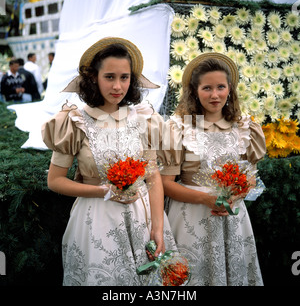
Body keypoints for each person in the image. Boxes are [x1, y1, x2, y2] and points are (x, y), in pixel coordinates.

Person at [41, 37, 177, 286]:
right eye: (110, 77)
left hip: (142, 218)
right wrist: (102, 191)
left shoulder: (144, 118)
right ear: (93, 77)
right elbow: (55, 181)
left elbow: (153, 176)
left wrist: (158, 227)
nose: (118, 86)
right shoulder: (73, 121)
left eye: (124, 77)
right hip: (96, 222)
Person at [158, 52, 266, 286]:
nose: (215, 94)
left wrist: (236, 195)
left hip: (232, 219)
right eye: (207, 88)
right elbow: (165, 184)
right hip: (190, 218)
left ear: (230, 89)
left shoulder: (245, 127)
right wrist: (205, 199)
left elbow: (251, 179)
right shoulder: (178, 127)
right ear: (195, 91)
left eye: (221, 87)